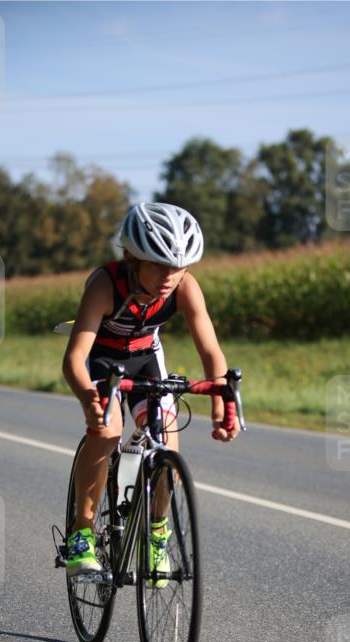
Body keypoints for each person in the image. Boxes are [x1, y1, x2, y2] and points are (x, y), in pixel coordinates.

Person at [61, 201, 239, 578]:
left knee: (167, 448)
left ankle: (157, 534)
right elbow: (74, 358)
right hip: (101, 361)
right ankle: (82, 534)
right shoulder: (105, 285)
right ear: (131, 257)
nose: (169, 276)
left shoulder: (185, 287)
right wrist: (87, 398)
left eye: (178, 267)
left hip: (145, 359)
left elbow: (211, 350)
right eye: (158, 264)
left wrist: (223, 405)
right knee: (107, 432)